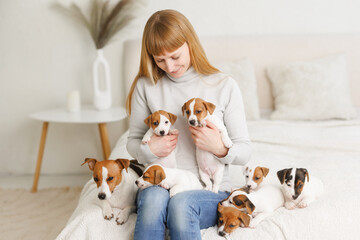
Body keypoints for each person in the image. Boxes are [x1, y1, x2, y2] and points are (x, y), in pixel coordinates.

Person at [126, 9, 251, 240]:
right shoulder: (146, 86)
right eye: (159, 59)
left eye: (175, 56)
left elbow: (245, 151)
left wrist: (220, 148)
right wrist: (148, 150)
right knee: (153, 202)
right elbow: (132, 142)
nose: (170, 67)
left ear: (190, 43)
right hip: (158, 180)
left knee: (181, 206)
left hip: (209, 189)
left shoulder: (224, 85)